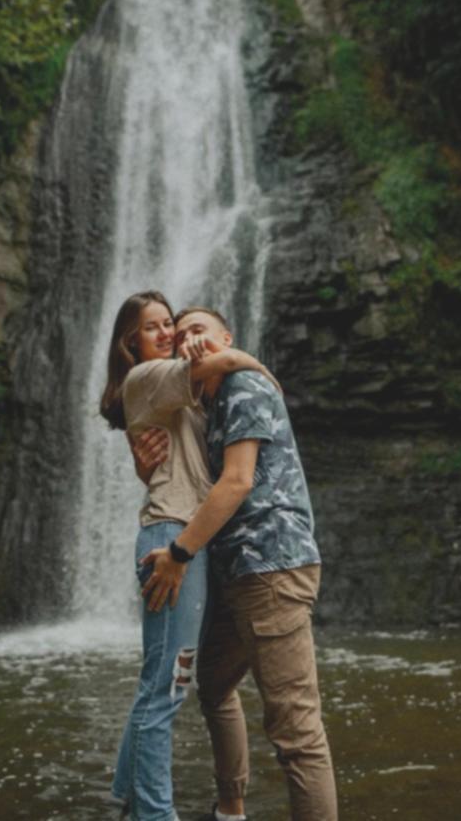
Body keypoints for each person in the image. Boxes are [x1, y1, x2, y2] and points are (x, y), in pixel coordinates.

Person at [136, 306, 338, 821]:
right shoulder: (205, 405)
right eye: (179, 336)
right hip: (234, 573)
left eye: (198, 330)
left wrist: (179, 552)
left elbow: (237, 482)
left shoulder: (243, 387)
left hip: (270, 566)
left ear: (226, 338)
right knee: (215, 685)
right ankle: (231, 809)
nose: (187, 340)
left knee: (296, 731)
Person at [100, 290, 274, 821]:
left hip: (183, 538)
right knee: (168, 689)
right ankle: (157, 814)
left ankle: (126, 802)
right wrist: (262, 372)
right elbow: (220, 360)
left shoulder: (174, 391)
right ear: (131, 345)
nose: (169, 333)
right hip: (172, 541)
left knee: (158, 682)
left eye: (170, 323)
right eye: (153, 328)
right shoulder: (146, 378)